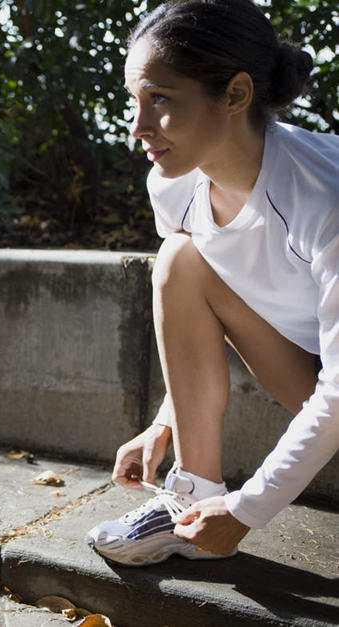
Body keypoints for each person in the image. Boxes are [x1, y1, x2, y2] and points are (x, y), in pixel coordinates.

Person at [85, 0, 339, 566]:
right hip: (312, 369)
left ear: (235, 94)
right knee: (180, 259)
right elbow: (198, 302)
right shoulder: (173, 183)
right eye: (134, 100)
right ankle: (190, 499)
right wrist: (165, 424)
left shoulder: (325, 197)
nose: (138, 127)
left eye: (161, 99)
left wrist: (249, 509)